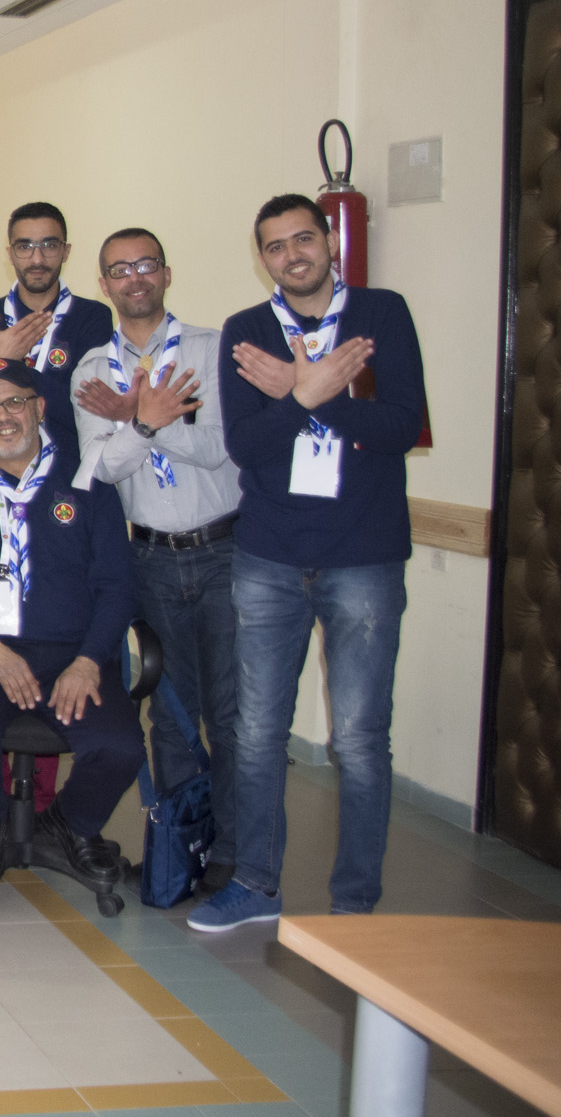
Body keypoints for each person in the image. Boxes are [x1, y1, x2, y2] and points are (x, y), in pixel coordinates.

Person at [190, 195, 426, 931]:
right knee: (257, 732)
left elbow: (401, 425)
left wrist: (304, 393)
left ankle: (355, 903)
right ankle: (256, 885)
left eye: (302, 239)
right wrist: (310, 395)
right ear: (261, 258)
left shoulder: (382, 314)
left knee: (358, 738)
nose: (291, 255)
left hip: (363, 558)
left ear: (329, 241)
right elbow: (248, 447)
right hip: (268, 558)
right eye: (274, 246)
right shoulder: (247, 330)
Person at [0, 363, 141, 893]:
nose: (3, 417)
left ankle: (70, 823)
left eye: (15, 402)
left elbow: (117, 585)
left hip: (71, 655)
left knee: (120, 747)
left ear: (39, 408)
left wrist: (89, 660)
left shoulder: (88, 482)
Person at [70, 227, 242, 896]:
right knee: (169, 715)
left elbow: (221, 448)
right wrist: (146, 422)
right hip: (148, 557)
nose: (133, 278)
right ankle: (182, 848)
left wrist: (138, 421)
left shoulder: (211, 349)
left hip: (222, 551)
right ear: (104, 284)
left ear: (166, 274)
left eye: (145, 265)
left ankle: (234, 854)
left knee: (231, 716)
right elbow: (99, 469)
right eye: (119, 269)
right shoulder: (91, 369)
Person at [0, 202, 113, 462]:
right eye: (24, 247)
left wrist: (1, 361)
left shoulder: (93, 316)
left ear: (65, 251)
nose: (37, 259)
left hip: (67, 473)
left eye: (49, 245)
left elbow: (86, 416)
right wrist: (2, 360)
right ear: (10, 254)